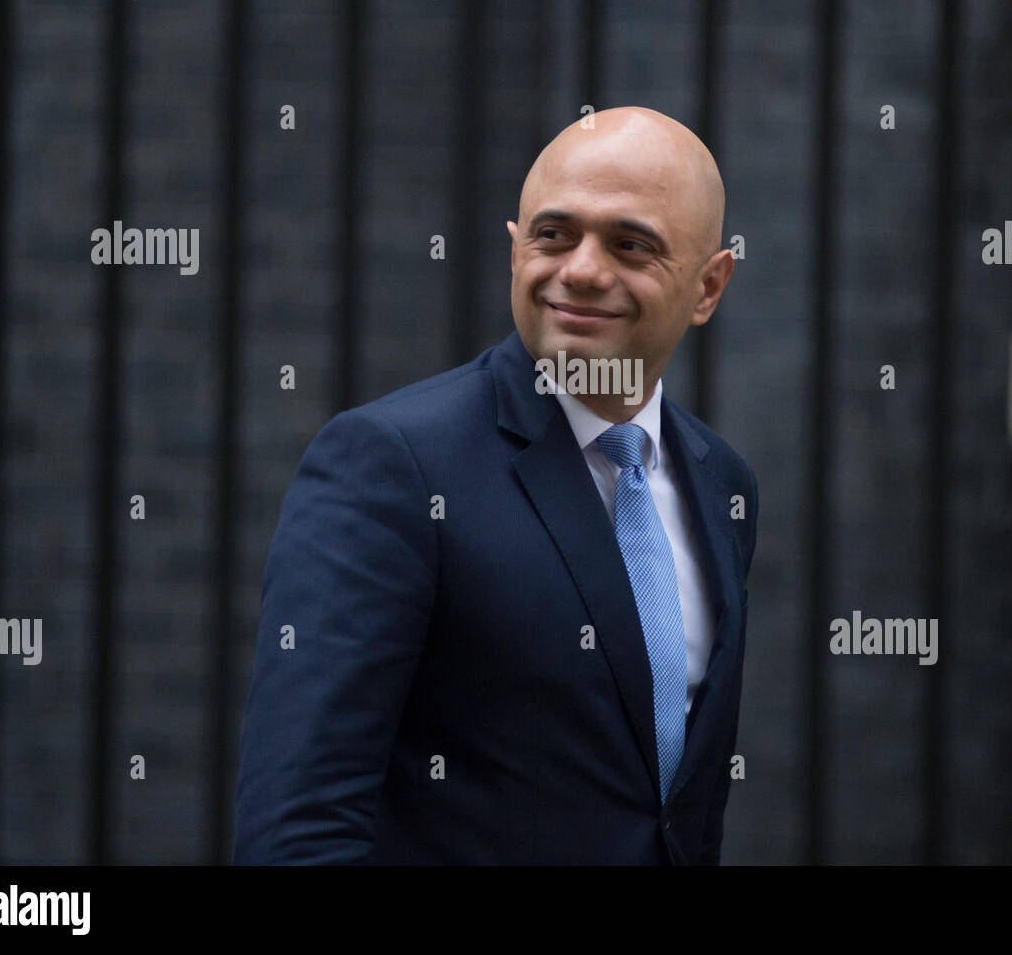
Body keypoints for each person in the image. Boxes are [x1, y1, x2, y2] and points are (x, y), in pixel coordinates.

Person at [233, 106, 758, 864]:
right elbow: (299, 828)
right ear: (515, 250)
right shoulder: (393, 465)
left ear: (708, 286)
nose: (580, 268)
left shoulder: (721, 486)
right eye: (553, 233)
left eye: (630, 243)